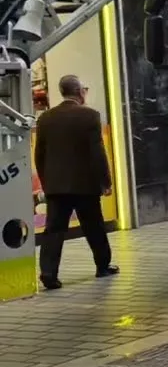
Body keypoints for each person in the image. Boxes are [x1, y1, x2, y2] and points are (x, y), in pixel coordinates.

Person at [34, 75, 118, 290]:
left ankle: (48, 273)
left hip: (56, 187)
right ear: (80, 92)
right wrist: (105, 181)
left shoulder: (46, 118)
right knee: (94, 227)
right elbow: (97, 153)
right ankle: (102, 266)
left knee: (53, 230)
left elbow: (39, 155)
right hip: (85, 185)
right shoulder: (89, 116)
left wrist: (46, 182)